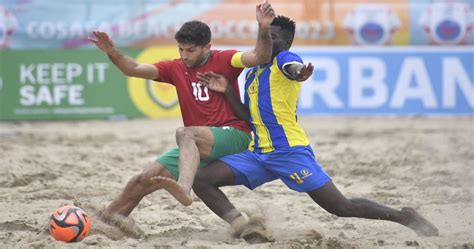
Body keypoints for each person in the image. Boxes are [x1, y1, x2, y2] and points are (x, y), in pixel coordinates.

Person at [187, 15, 440, 238]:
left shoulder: (284, 60)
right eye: (264, 36)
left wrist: (300, 73)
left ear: (286, 43)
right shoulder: (252, 72)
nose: (267, 42)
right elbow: (248, 117)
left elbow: (293, 67)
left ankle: (404, 216)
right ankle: (240, 225)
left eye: (273, 37)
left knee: (341, 207)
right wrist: (228, 90)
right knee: (201, 180)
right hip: (259, 153)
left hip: (289, 152)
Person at [87, 1, 275, 224]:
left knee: (185, 133)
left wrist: (263, 29)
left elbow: (259, 57)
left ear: (207, 47)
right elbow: (133, 69)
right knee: (142, 180)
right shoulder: (175, 68)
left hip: (234, 135)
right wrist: (112, 52)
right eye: (181, 49)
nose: (184, 55)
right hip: (198, 144)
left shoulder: (225, 58)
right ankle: (103, 224)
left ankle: (185, 189)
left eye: (190, 50)